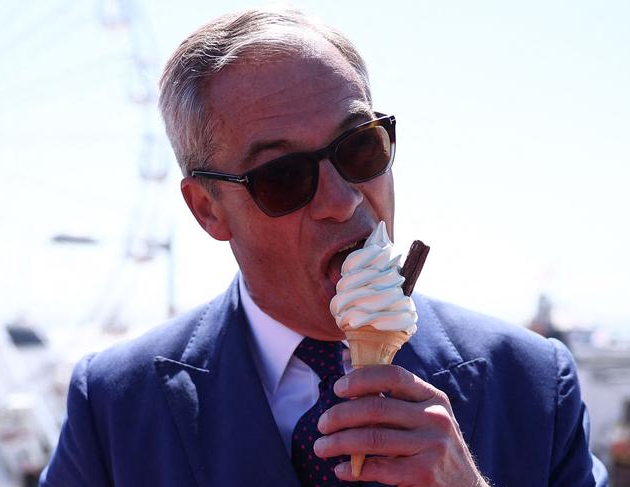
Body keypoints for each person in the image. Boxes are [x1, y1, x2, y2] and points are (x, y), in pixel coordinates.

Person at [40, 7, 608, 487]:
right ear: (207, 209)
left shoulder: (533, 385)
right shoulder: (115, 407)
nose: (341, 199)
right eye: (284, 174)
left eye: (360, 148)